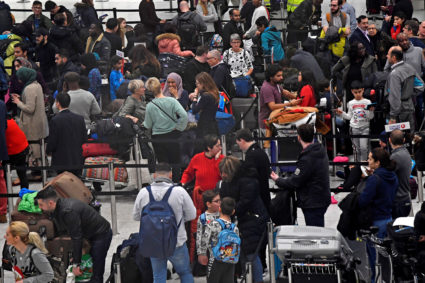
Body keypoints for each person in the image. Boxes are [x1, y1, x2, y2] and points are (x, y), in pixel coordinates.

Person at [132, 163, 196, 283]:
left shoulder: (143, 192)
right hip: (177, 242)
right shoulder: (179, 192)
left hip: (153, 242)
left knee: (158, 276)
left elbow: (136, 216)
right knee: (185, 272)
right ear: (171, 175)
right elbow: (192, 214)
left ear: (154, 175)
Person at [36, 187, 112, 283]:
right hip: (89, 234)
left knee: (96, 270)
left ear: (50, 203)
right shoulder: (58, 207)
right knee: (89, 267)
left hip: (101, 234)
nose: (40, 208)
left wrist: (76, 263)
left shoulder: (68, 211)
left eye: (41, 205)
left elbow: (77, 237)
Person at [219, 156, 269, 283]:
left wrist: (230, 212)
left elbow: (246, 201)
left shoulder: (248, 181)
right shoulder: (227, 183)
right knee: (241, 253)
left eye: (224, 172)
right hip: (240, 219)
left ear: (231, 171)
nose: (222, 175)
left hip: (253, 219)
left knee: (251, 253)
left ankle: (257, 280)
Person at [271, 124, 331, 227]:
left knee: (315, 232)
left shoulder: (307, 158)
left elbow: (295, 181)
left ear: (299, 137)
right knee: (318, 229)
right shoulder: (320, 150)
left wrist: (278, 180)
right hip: (321, 198)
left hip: (313, 202)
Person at [181, 135, 224, 261]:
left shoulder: (222, 159)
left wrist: (217, 161)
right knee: (197, 231)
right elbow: (188, 173)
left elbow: (223, 175)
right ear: (209, 147)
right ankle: (195, 261)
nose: (221, 147)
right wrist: (183, 184)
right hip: (199, 201)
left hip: (216, 202)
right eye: (217, 145)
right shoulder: (197, 158)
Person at [358, 148, 398, 282]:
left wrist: (366, 181)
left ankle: (374, 280)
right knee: (386, 257)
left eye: (370, 159)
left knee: (374, 258)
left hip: (375, 221)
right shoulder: (392, 176)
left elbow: (363, 200)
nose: (368, 161)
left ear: (378, 162)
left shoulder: (374, 179)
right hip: (388, 219)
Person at [143, 77, 188, 182]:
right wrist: (179, 127)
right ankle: (176, 184)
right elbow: (184, 116)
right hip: (173, 134)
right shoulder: (172, 101)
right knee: (176, 162)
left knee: (163, 163)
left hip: (158, 137)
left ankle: (165, 183)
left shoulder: (150, 106)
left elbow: (148, 124)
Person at [11, 67, 49, 182]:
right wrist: (21, 99)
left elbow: (30, 108)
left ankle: (37, 173)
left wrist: (18, 103)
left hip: (32, 125)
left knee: (34, 150)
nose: (19, 80)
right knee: (39, 149)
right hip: (39, 123)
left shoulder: (29, 88)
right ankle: (39, 172)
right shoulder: (36, 85)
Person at [198, 197, 238, 282]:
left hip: (214, 260)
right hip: (230, 260)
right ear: (233, 211)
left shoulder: (213, 224)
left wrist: (202, 254)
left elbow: (204, 241)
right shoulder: (235, 228)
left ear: (219, 209)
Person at [47, 92, 87, 177]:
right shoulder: (79, 119)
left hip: (61, 160)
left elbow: (52, 142)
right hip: (77, 159)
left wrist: (48, 150)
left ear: (57, 103)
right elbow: (84, 138)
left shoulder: (55, 120)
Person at [336, 80, 374, 162]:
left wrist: (371, 111)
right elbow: (349, 117)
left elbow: (370, 117)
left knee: (364, 148)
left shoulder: (367, 102)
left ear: (363, 90)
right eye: (355, 92)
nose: (358, 94)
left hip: (365, 128)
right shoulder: (350, 103)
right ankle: (357, 166)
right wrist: (342, 113)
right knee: (356, 149)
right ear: (352, 92)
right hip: (354, 128)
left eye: (359, 92)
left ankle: (363, 165)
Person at [235, 128, 271, 211]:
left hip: (259, 199)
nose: (239, 147)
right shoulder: (260, 151)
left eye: (238, 144)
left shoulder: (251, 156)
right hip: (265, 195)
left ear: (242, 140)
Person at [258, 64, 301, 130]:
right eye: (278, 76)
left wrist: (297, 97)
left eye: (281, 75)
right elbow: (272, 106)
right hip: (268, 124)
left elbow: (285, 93)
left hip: (276, 120)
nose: (281, 77)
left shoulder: (275, 84)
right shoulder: (267, 88)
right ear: (271, 77)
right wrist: (290, 104)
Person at [385, 46, 419, 128]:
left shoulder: (394, 74)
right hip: (410, 106)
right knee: (410, 136)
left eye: (388, 54)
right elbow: (420, 85)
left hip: (399, 111)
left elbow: (395, 97)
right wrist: (409, 93)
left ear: (394, 58)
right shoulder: (410, 68)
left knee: (398, 138)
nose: (386, 56)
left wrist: (393, 117)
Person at [189, 72, 219, 139]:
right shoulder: (214, 93)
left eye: (198, 83)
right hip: (212, 124)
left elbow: (194, 110)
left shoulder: (205, 96)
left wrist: (195, 97)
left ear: (203, 84)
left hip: (205, 126)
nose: (197, 86)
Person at [389, 129, 412, 218]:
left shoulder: (395, 156)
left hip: (398, 202)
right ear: (404, 140)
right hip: (404, 198)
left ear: (390, 140)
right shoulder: (405, 152)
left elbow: (386, 175)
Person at [4, 117, 29, 190]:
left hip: (14, 150)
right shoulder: (9, 119)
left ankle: (7, 198)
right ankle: (25, 197)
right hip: (23, 147)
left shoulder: (3, 124)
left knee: (5, 175)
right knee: (22, 174)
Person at [196, 191, 220, 259]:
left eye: (220, 200)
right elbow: (199, 236)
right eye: (216, 201)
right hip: (210, 253)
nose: (219, 203)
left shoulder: (223, 214)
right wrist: (201, 254)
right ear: (208, 204)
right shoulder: (203, 218)